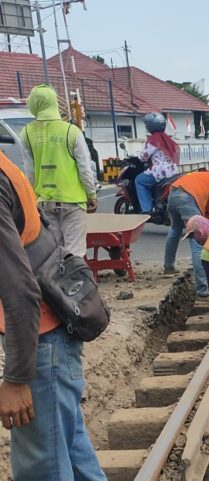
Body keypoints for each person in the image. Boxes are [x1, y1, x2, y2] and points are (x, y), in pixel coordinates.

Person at [0, 151, 106, 480]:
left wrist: (16, 379)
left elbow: (21, 291)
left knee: (43, 468)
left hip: (41, 343)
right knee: (71, 454)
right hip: (51, 339)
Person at [20, 84, 97, 257]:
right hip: (73, 200)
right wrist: (91, 194)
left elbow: (29, 171)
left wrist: (33, 199)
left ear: (34, 104)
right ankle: (75, 275)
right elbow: (84, 167)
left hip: (45, 202)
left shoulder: (26, 133)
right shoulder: (71, 131)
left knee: (54, 252)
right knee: (75, 252)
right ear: (54, 103)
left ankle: (58, 276)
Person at [134, 112, 179, 214]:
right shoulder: (167, 139)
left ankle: (146, 210)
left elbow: (144, 156)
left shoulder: (154, 139)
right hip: (172, 171)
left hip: (159, 172)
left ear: (151, 125)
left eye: (147, 124)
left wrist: (136, 155)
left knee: (139, 180)